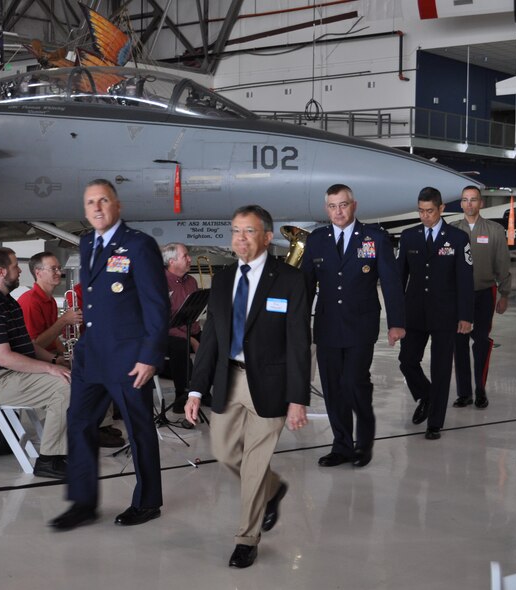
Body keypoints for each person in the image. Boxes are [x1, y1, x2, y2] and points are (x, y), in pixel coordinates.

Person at [186, 205, 310, 568]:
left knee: (255, 464)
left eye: (249, 231)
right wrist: (195, 389)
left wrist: (297, 398)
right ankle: (274, 489)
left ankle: (246, 538)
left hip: (271, 382)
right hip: (229, 379)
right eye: (236, 231)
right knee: (225, 452)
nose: (240, 238)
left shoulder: (289, 279)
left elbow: (299, 341)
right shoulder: (223, 279)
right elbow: (211, 336)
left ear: (267, 237)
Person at [49, 179, 170, 531]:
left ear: (117, 206)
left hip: (130, 358)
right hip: (93, 355)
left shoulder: (139, 245)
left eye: (103, 200)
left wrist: (149, 356)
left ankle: (148, 502)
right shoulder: (87, 244)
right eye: (90, 202)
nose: (97, 207)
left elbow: (156, 306)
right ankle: (83, 502)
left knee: (139, 429)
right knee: (79, 422)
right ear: (85, 210)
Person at [301, 184, 405, 468]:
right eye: (333, 206)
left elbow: (392, 282)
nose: (338, 211)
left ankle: (364, 442)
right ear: (327, 209)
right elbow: (306, 284)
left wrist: (397, 323)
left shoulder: (375, 238)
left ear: (354, 205)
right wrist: (296, 323)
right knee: (333, 387)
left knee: (353, 383)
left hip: (361, 325)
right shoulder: (317, 240)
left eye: (343, 205)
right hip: (327, 326)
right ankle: (342, 445)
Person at [0, 247, 72, 478]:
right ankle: (49, 460)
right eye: (15, 267)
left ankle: (60, 449)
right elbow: (4, 357)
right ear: (2, 272)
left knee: (68, 375)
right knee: (63, 386)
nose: (20, 270)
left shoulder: (6, 302)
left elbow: (26, 345)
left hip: (10, 374)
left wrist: (54, 360)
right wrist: (50, 368)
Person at [17, 251, 125, 448]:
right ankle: (92, 426)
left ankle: (101, 423)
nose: (59, 272)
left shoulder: (48, 300)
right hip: (35, 361)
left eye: (59, 268)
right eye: (54, 269)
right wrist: (63, 323)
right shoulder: (31, 302)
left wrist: (64, 354)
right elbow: (33, 345)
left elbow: (53, 338)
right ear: (38, 272)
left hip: (48, 357)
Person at [398, 187, 474, 440]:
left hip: (445, 314)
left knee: (441, 368)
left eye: (429, 211)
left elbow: (465, 279)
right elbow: (400, 279)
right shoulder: (409, 237)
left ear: (441, 209)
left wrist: (466, 315)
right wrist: (397, 315)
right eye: (421, 211)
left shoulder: (458, 238)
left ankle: (435, 422)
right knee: (407, 360)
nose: (424, 216)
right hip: (415, 313)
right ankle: (426, 395)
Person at [450, 186, 512, 409]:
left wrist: (504, 294)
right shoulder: (453, 230)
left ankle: (480, 390)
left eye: (473, 200)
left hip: (485, 293)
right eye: (465, 200)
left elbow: (503, 263)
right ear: (461, 204)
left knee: (481, 343)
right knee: (459, 343)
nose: (469, 204)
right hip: (458, 297)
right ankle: (464, 393)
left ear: (481, 203)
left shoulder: (494, 230)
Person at [160, 242, 203, 414]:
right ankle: (181, 397)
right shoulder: (160, 283)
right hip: (168, 333)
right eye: (185, 256)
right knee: (180, 348)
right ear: (171, 261)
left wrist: (197, 334)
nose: (189, 259)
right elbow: (164, 323)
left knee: (217, 343)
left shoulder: (191, 281)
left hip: (191, 329)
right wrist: (190, 339)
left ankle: (202, 391)